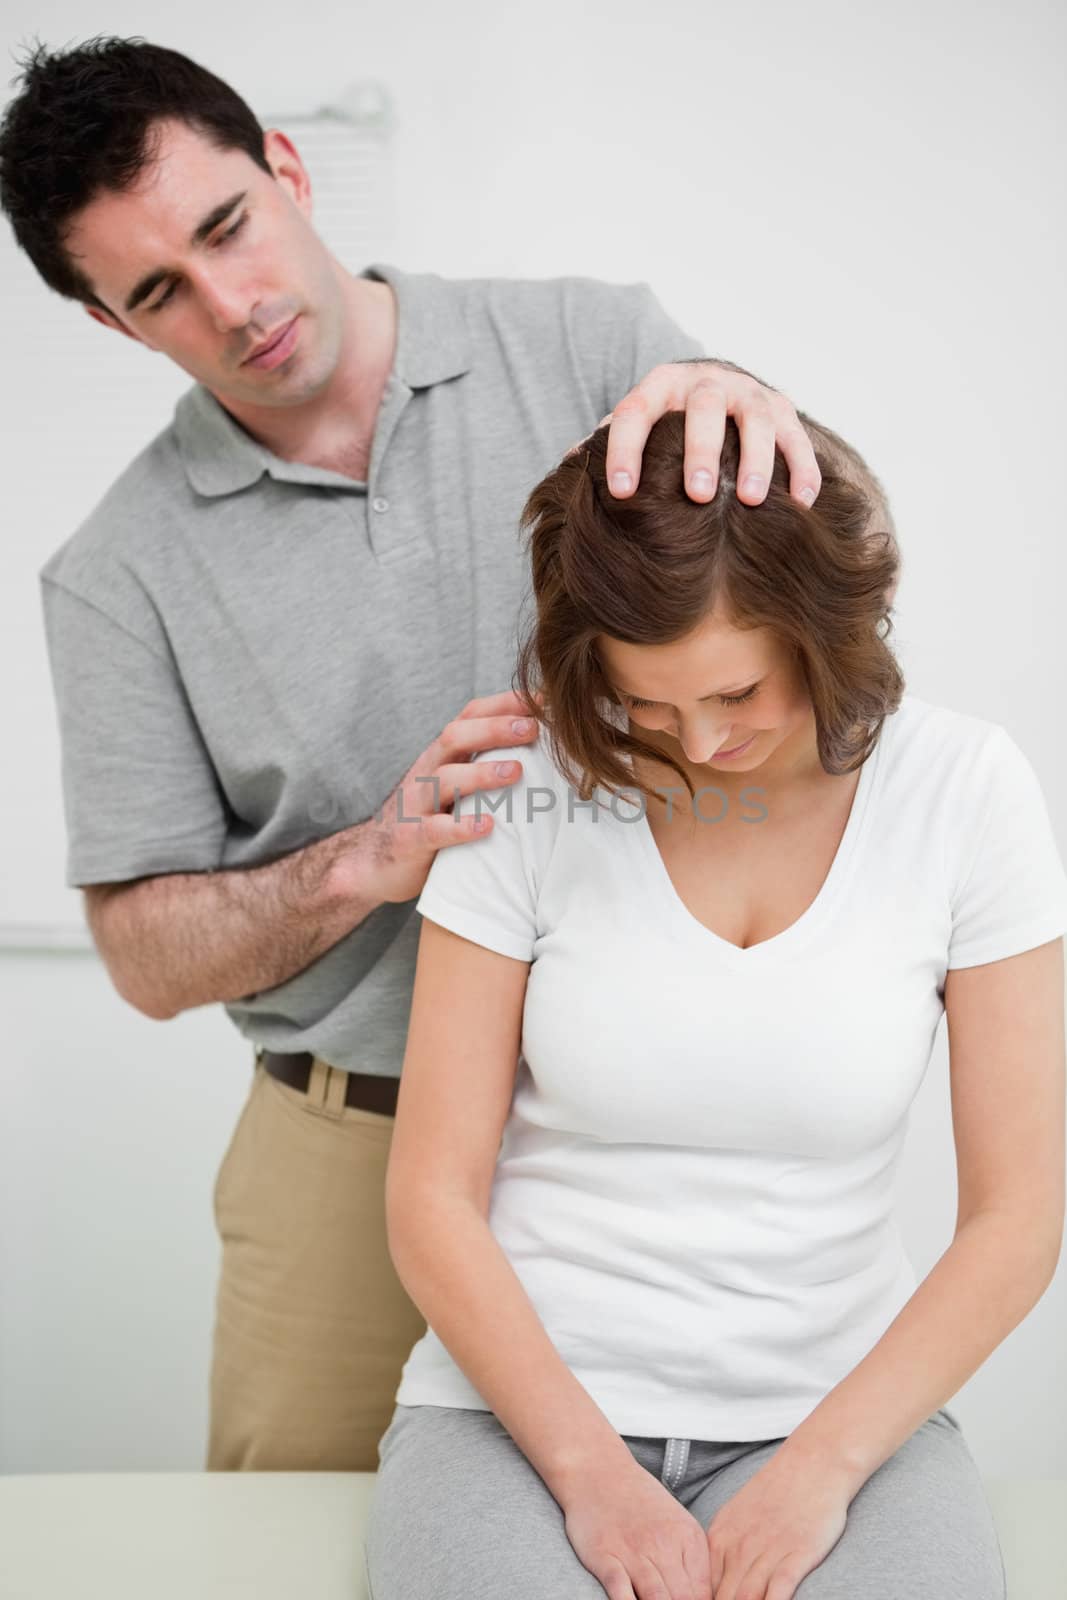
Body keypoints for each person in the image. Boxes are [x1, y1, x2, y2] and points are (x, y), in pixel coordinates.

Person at [0, 36, 823, 1472]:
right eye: (157, 294)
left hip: (638, 1116)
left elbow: (793, 595)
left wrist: (744, 396)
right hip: (347, 1150)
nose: (230, 303)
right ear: (112, 328)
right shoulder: (111, 577)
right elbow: (142, 958)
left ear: (290, 172)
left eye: (226, 227)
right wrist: (353, 866)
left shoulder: (588, 344)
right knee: (288, 1546)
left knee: (682, 1525)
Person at [365, 408, 1067, 1599]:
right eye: (648, 703)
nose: (697, 742)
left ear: (822, 628)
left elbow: (1016, 1219)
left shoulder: (964, 792)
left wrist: (821, 1468)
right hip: (516, 1420)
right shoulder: (527, 789)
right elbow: (430, 1194)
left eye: (736, 691)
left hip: (834, 1419)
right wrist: (591, 1476)